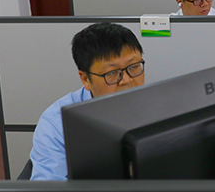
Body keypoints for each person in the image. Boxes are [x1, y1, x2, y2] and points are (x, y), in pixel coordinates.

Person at [30, 23, 146, 180]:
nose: (126, 80)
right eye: (112, 73)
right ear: (86, 79)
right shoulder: (56, 124)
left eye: (134, 66)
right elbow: (49, 190)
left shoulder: (159, 105)